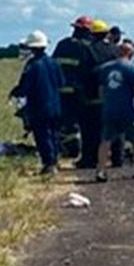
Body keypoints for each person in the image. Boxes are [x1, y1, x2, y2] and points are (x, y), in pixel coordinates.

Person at [11, 30, 64, 175]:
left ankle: (49, 164)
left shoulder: (32, 65)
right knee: (54, 134)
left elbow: (24, 87)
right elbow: (61, 83)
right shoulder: (54, 63)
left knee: (43, 136)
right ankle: (55, 160)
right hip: (56, 105)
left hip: (39, 107)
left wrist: (15, 92)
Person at [96, 41, 134, 180]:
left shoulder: (105, 68)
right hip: (128, 111)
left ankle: (101, 170)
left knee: (105, 141)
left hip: (110, 110)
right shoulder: (132, 68)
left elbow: (101, 91)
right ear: (131, 54)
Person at [54, 16, 101, 168]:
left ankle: (65, 150)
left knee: (66, 124)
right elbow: (93, 71)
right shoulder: (85, 47)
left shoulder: (62, 44)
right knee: (83, 126)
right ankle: (79, 153)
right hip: (78, 93)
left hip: (60, 92)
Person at [90, 19, 125, 168]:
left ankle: (95, 159)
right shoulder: (115, 50)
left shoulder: (89, 49)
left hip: (94, 95)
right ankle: (118, 158)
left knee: (95, 129)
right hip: (115, 95)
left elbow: (86, 72)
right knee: (118, 128)